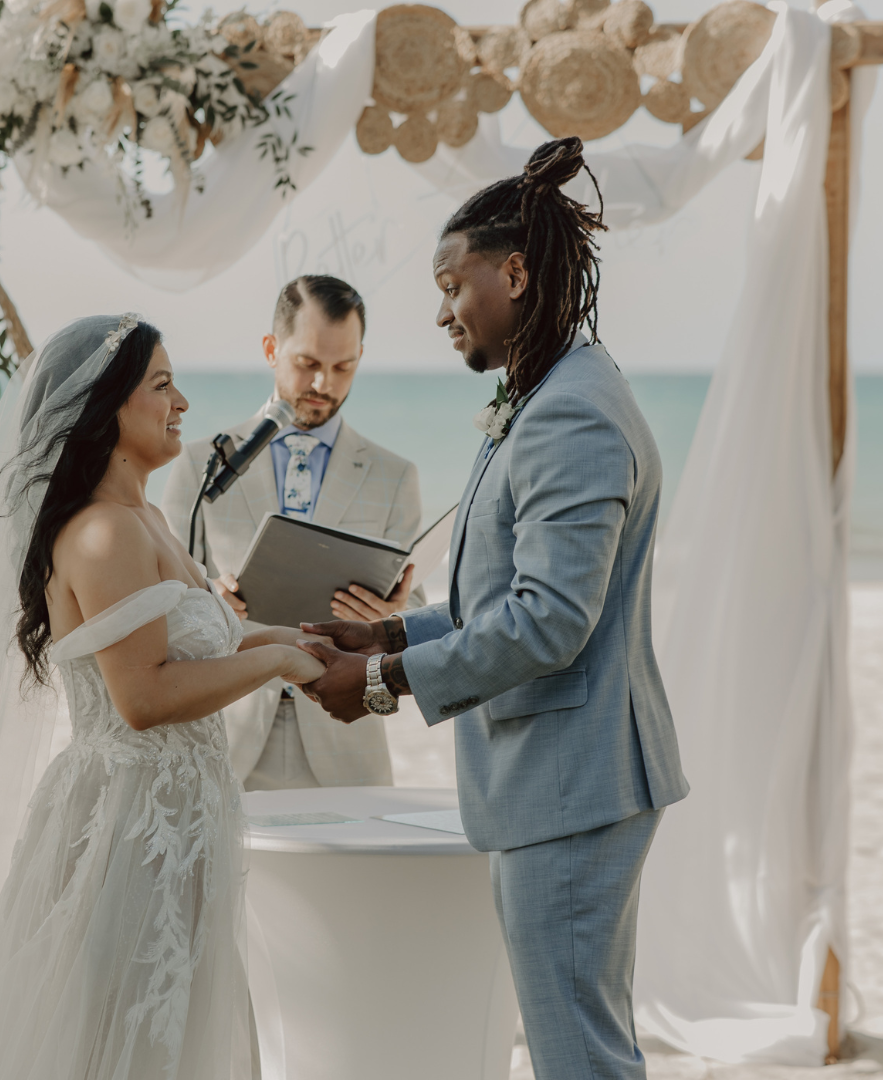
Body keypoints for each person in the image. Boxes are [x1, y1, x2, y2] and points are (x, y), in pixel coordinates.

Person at [0, 315, 323, 1080]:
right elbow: (141, 696)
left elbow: (205, 638)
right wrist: (280, 660)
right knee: (113, 1028)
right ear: (104, 411)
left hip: (182, 817)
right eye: (160, 384)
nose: (183, 400)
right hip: (128, 818)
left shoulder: (148, 518)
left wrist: (316, 640)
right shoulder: (102, 535)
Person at [297, 138, 690, 1079]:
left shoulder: (571, 411)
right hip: (568, 781)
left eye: (450, 285)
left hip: (571, 784)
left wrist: (385, 683)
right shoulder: (548, 391)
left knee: (576, 1055)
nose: (439, 312)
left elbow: (552, 621)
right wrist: (390, 630)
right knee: (585, 1041)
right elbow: (501, 599)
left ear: (513, 272)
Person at [162, 275, 424, 791]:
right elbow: (163, 607)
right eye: (308, 363)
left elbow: (415, 613)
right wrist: (207, 599)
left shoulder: (398, 476)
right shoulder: (197, 463)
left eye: (343, 366)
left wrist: (389, 617)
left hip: (345, 740)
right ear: (271, 349)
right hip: (222, 733)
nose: (324, 384)